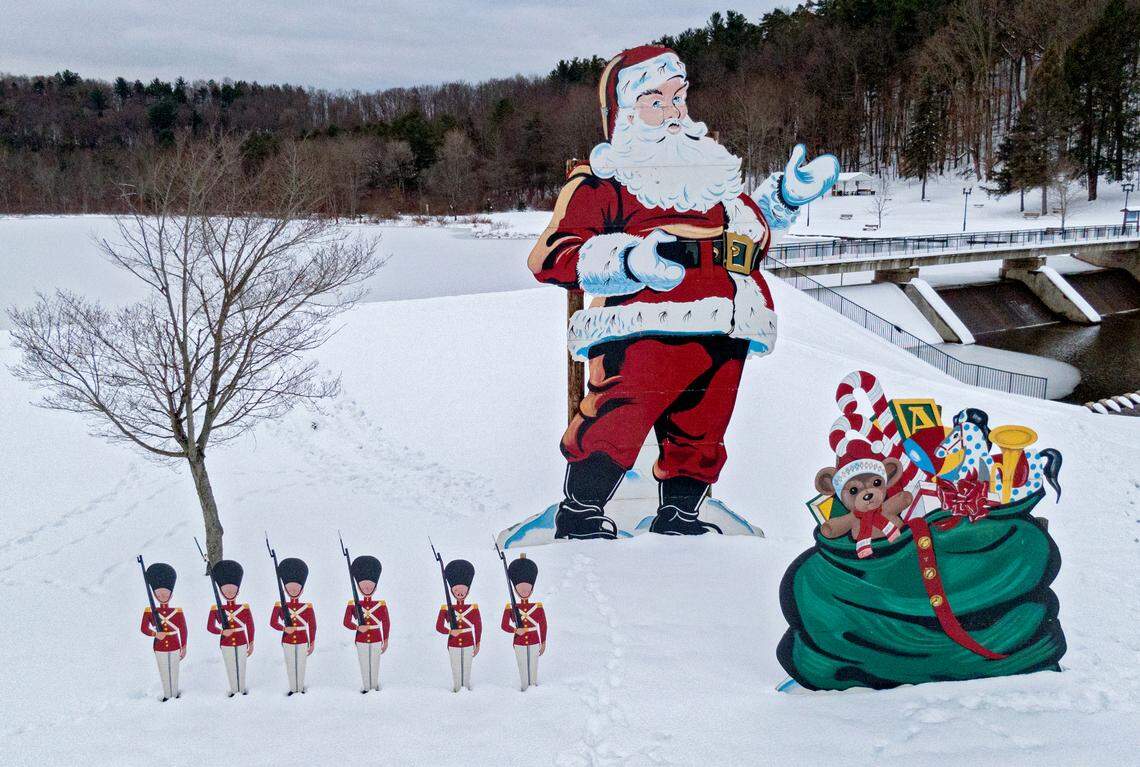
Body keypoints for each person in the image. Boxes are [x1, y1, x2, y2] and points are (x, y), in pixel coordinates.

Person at [527, 45, 839, 538]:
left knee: (704, 427)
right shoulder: (606, 182)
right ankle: (582, 512)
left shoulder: (709, 177)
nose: (673, 112)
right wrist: (629, 261)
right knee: (617, 419)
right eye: (655, 101)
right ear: (626, 115)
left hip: (726, 325)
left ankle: (680, 515)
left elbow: (747, 233)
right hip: (642, 328)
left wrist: (783, 198)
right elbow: (552, 255)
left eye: (678, 97)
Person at [139, 562, 187, 701]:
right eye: (159, 594)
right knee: (164, 671)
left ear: (171, 595)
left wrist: (184, 645)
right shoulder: (150, 611)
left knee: (174, 670)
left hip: (174, 644)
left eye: (165, 594)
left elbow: (183, 629)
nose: (162, 596)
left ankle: (174, 693)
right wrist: (155, 634)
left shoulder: (177, 612)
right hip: (159, 646)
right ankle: (167, 694)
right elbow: (144, 628)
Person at [206, 559, 255, 696]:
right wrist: (222, 631)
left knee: (241, 666)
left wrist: (251, 642)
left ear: (237, 591)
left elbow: (250, 626)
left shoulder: (244, 608)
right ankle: (234, 689)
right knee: (230, 666)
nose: (229, 593)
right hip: (226, 642)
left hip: (241, 640)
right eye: (225, 590)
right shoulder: (216, 608)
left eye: (233, 590)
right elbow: (210, 627)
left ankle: (241, 689)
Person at [342, 555, 390, 693]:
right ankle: (366, 687)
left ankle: (373, 686)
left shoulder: (380, 605)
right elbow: (346, 622)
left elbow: (386, 623)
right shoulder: (353, 604)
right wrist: (357, 627)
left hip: (376, 637)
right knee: (364, 664)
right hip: (361, 638)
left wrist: (386, 639)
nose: (367, 587)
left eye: (370, 585)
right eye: (363, 585)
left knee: (375, 664)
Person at [269, 557, 315, 695]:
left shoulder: (307, 607)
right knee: (290, 664)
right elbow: (273, 622)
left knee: (301, 664)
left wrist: (312, 641)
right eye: (290, 588)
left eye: (297, 588)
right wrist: (284, 629)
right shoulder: (280, 605)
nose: (293, 590)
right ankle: (293, 688)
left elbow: (312, 625)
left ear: (302, 589)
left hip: (302, 638)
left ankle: (299, 688)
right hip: (287, 639)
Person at [500, 555, 547, 691]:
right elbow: (504, 625)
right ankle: (525, 687)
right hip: (519, 641)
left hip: (534, 640)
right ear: (515, 589)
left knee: (533, 666)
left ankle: (533, 686)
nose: (525, 591)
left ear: (532, 589)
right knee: (522, 666)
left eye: (527, 589)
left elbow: (543, 625)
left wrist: (543, 642)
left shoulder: (537, 607)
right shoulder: (511, 607)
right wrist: (515, 630)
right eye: (521, 589)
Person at [434, 559, 481, 692]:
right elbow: (439, 626)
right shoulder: (446, 608)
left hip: (468, 641)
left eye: (463, 591)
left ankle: (465, 687)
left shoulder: (473, 608)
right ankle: (457, 688)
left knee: (467, 668)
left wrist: (477, 642)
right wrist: (450, 632)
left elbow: (478, 627)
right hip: (453, 643)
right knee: (456, 668)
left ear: (468, 591)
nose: (460, 593)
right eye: (456, 590)